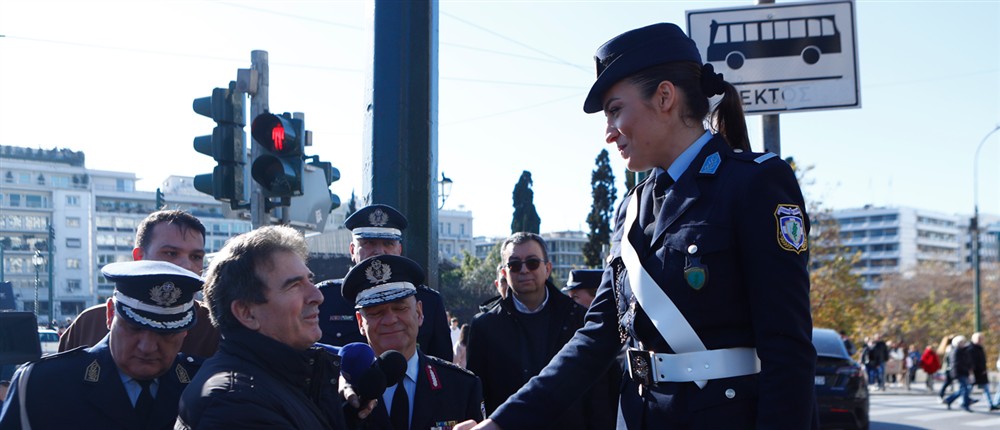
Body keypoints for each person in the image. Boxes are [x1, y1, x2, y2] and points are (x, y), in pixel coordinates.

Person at [462, 22, 817, 430]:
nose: (609, 133)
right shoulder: (632, 208)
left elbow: (787, 348)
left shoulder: (754, 183)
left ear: (664, 96)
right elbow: (595, 339)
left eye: (615, 110)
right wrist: (501, 423)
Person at [176, 225, 349, 429]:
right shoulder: (236, 406)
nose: (317, 296)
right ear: (246, 312)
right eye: (294, 285)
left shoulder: (273, 383)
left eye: (310, 280)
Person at [0, 260, 204, 429]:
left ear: (185, 331)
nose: (147, 347)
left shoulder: (205, 385)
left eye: (165, 334)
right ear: (109, 314)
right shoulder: (41, 385)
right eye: (134, 328)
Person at [467, 232, 616, 430]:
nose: (524, 270)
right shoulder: (484, 326)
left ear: (547, 269)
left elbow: (601, 390)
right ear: (504, 273)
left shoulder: (579, 319)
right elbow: (476, 394)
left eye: (532, 263)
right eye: (514, 265)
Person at [343, 254, 483, 430]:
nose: (390, 319)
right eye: (376, 312)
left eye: (399, 307)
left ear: (419, 313)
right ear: (360, 322)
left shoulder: (462, 387)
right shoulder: (344, 394)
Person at [59, 210, 220, 358]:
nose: (187, 266)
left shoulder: (214, 327)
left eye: (196, 256)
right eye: (171, 253)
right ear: (139, 257)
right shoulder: (89, 323)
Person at [318, 204, 453, 361]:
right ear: (352, 250)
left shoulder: (428, 301)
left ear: (399, 249)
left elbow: (442, 370)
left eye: (388, 243)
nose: (379, 251)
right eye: (369, 243)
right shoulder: (324, 299)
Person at [943, 335, 974, 412]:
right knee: (965, 389)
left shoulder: (963, 350)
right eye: (961, 342)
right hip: (959, 373)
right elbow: (955, 364)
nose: (963, 344)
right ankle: (965, 404)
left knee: (963, 389)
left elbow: (967, 361)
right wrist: (956, 374)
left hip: (964, 372)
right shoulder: (955, 351)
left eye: (963, 342)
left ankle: (949, 400)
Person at [969, 332, 998, 410]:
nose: (980, 340)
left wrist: (984, 369)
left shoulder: (980, 348)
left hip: (981, 372)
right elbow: (971, 361)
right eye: (978, 339)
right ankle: (963, 401)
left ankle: (990, 404)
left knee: (986, 389)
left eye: (981, 339)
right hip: (974, 372)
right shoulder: (970, 348)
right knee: (968, 388)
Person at [938, 334, 957, 399]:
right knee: (947, 382)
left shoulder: (948, 347)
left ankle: (942, 394)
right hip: (949, 368)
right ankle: (941, 394)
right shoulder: (950, 348)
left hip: (948, 368)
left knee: (948, 382)